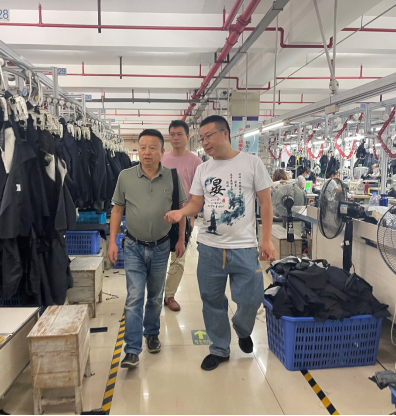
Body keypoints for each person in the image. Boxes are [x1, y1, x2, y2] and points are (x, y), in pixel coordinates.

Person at [164, 115, 276, 372]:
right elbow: (196, 203)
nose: (205, 142)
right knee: (211, 299)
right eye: (202, 138)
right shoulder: (203, 169)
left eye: (209, 136)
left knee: (251, 298)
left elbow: (266, 203)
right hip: (210, 247)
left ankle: (242, 329)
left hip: (244, 247)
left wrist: (266, 239)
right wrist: (182, 212)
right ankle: (219, 348)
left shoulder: (252, 163)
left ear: (225, 134)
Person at [108, 129, 187, 369]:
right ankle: (132, 350)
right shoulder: (125, 176)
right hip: (133, 246)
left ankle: (152, 333)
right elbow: (117, 210)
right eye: (142, 147)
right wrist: (112, 241)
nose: (147, 152)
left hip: (161, 247)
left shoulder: (172, 177)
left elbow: (181, 211)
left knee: (154, 296)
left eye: (153, 148)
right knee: (134, 297)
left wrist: (181, 240)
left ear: (162, 151)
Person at [161, 120, 203, 312]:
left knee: (178, 257)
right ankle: (156, 293)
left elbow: (199, 193)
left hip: (184, 216)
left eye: (179, 134)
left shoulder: (196, 162)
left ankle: (169, 295)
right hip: (161, 215)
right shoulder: (162, 159)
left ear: (187, 137)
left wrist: (191, 217)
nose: (175, 138)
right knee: (158, 256)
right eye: (172, 134)